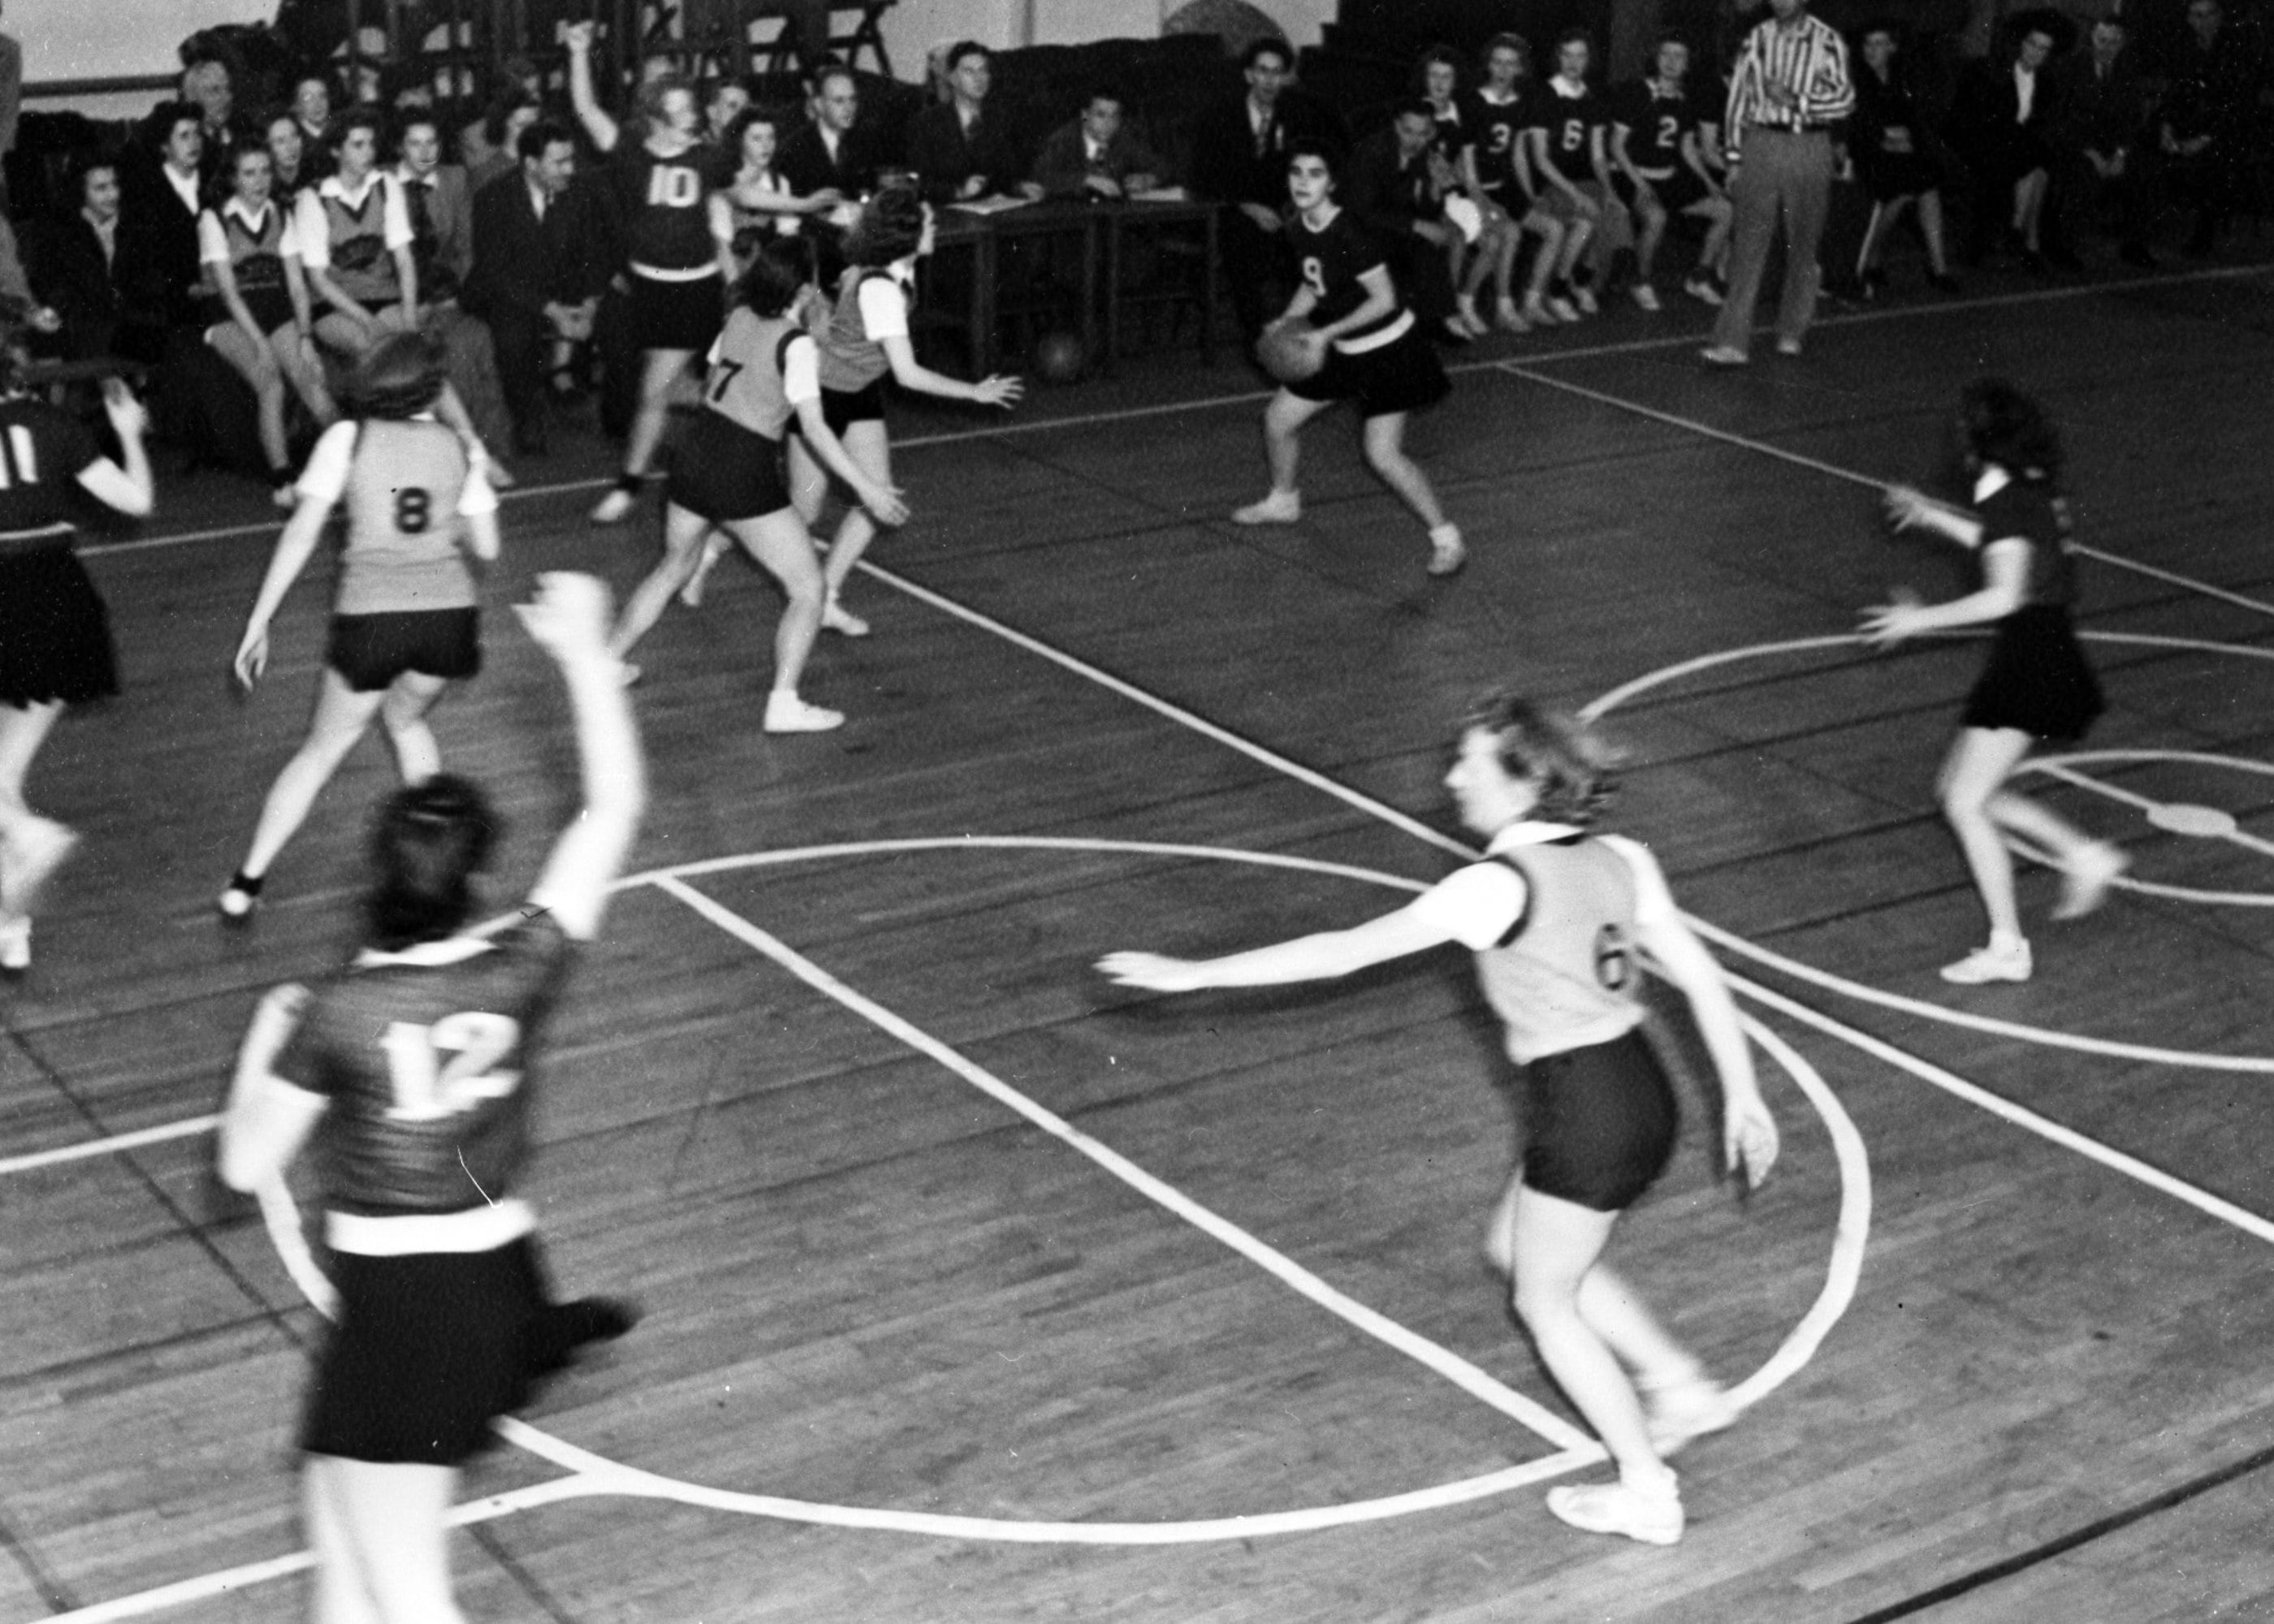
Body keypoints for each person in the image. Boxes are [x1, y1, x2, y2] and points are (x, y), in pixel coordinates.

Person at [1097, 693, 1779, 1546]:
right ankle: (1677, 1383)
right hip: (1641, 1087)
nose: (1452, 774)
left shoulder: (1494, 887)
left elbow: (1341, 949)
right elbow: (1702, 976)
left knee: (1545, 1299)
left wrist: (1194, 974)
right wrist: (1743, 1093)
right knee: (1516, 1243)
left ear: (1522, 779)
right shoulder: (1621, 857)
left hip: (1584, 1106)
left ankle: (1646, 1486)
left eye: (1469, 760)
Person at [216, 568, 645, 1624]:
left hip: (412, 1315)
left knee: (408, 1599)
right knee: (341, 1557)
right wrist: (588, 658)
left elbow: (240, 1164)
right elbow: (616, 808)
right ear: (475, 877)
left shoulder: (335, 1013)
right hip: (488, 1289)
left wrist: (263, 1036)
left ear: (376, 871)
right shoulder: (520, 964)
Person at [218, 333, 500, 919]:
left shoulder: (347, 439)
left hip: (372, 619)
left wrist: (259, 620)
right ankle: (444, 880)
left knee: (323, 750)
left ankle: (246, 883)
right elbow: (489, 548)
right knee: (406, 721)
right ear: (433, 388)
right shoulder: (459, 444)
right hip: (446, 619)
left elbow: (300, 534)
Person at [1861, 378, 2127, 983]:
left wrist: (1918, 618)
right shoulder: (2031, 489)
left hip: (2032, 658)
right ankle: (2086, 855)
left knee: (1962, 800)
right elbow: (2004, 545)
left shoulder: (2005, 498)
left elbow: (2005, 592)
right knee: (1965, 789)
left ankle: (2009, 947)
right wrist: (1932, 516)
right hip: (2045, 651)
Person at [681, 186, 1021, 630]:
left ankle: (826, 596)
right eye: (929, 221)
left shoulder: (892, 271)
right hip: (823, 395)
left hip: (859, 392)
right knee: (803, 513)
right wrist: (973, 392)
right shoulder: (881, 290)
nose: (936, 226)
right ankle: (707, 551)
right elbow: (907, 374)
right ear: (907, 234)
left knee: (877, 495)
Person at [607, 240, 909, 732]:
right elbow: (815, 429)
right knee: (809, 589)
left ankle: (609, 659)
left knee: (673, 566)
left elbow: (707, 383)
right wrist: (867, 487)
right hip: (741, 464)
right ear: (806, 288)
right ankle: (784, 702)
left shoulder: (740, 318)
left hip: (694, 453)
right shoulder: (797, 344)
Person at [1229, 140, 1465, 577]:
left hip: (1390, 351)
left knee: (1382, 455)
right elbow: (1313, 282)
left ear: (1332, 183)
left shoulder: (1349, 233)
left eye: (1315, 174)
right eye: (1297, 173)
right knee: (1278, 421)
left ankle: (1447, 538)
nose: (1303, 182)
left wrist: (1323, 334)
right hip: (1342, 345)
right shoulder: (1299, 224)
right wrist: (1285, 322)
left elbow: (1384, 299)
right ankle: (1283, 500)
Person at [0, 354, 153, 972]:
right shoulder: (54, 423)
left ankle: (30, 839)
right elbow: (137, 501)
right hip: (58, 599)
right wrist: (129, 436)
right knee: (3, 776)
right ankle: (12, 926)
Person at [566, 19, 734, 525]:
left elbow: (740, 194)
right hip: (650, 288)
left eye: (693, 108)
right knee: (671, 388)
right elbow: (586, 110)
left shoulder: (706, 157)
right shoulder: (632, 154)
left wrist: (799, 200)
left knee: (655, 390)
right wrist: (578, 52)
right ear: (657, 119)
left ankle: (630, 483)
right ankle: (749, 413)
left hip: (694, 289)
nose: (693, 117)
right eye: (681, 111)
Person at [1701, 0, 1853, 365]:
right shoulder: (1756, 38)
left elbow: (1844, 101)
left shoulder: (1827, 40)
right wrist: (1735, 158)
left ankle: (1791, 330)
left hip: (1810, 144)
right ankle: (1733, 342)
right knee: (1748, 243)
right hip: (1762, 143)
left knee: (1803, 241)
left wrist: (1798, 101)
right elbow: (1738, 100)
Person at [196, 144, 337, 504]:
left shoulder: (281, 213)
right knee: (270, 384)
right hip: (230, 316)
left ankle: (348, 462)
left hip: (275, 312)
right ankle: (282, 479)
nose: (259, 180)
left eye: (265, 171)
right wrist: (261, 344)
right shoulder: (214, 219)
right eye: (249, 173)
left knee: (308, 375)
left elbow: (296, 287)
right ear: (233, 178)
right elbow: (228, 293)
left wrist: (305, 336)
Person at [465, 119, 611, 459]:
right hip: (509, 292)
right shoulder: (493, 198)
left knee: (618, 316)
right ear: (531, 164)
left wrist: (589, 305)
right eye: (559, 162)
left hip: (563, 287)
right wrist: (553, 311)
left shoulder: (579, 194)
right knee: (513, 334)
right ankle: (526, 419)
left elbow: (593, 255)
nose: (570, 169)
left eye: (571, 160)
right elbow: (495, 272)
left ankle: (617, 416)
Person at [1190, 37, 1344, 343]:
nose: (1269, 80)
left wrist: (1293, 209)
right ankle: (1257, 339)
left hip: (1285, 208)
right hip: (1233, 208)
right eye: (1262, 71)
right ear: (1249, 75)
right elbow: (1202, 176)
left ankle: (1304, 335)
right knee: (1244, 243)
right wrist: (1247, 206)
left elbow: (1315, 163)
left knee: (1315, 241)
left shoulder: (1298, 114)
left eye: (1277, 72)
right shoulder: (1220, 114)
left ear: (1286, 77)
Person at [1609, 37, 1734, 310]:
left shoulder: (1685, 100)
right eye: (1666, 54)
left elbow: (1688, 147)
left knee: (1725, 210)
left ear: (1687, 64)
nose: (1671, 62)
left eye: (1679, 56)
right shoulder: (1637, 92)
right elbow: (1616, 147)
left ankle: (1699, 277)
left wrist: (1707, 181)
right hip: (1631, 174)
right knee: (1656, 216)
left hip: (1667, 176)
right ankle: (1640, 280)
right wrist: (1639, 183)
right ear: (1655, 58)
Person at [1345, 101, 1470, 344]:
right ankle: (1440, 316)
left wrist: (1435, 186)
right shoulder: (1371, 152)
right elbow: (1364, 211)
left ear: (1431, 131)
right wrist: (1418, 225)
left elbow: (1426, 210)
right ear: (1395, 126)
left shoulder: (1426, 154)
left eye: (1422, 133)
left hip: (1395, 227)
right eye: (1407, 131)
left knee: (1431, 242)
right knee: (1421, 239)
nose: (1414, 140)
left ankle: (1440, 315)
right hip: (1358, 229)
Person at [1469, 33, 1571, 330]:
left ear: (1520, 69)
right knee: (1511, 232)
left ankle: (1532, 301)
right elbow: (1465, 158)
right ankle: (1504, 306)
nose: (1503, 70)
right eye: (1497, 62)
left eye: (1510, 64)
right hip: (1476, 190)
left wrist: (1528, 193)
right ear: (1488, 65)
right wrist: (1479, 198)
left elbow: (1518, 156)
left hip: (1505, 188)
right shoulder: (1474, 101)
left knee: (1553, 228)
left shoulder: (1520, 104)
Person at [1847, 24, 1957, 294]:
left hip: (1901, 152)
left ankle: (1938, 266)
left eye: (1879, 44)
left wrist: (1906, 139)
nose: (1872, 50)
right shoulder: (1856, 78)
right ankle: (1870, 258)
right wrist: (1888, 138)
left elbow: (1912, 120)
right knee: (1899, 191)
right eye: (1868, 44)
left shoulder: (1900, 77)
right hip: (1868, 154)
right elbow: (1860, 126)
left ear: (1892, 48)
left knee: (1928, 187)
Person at [1524, 31, 1619, 320]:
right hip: (1551, 183)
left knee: (1615, 212)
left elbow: (1598, 155)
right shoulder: (1545, 95)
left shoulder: (1592, 98)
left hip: (1583, 181)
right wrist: (1575, 194)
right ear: (1558, 57)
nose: (1573, 62)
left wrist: (1611, 190)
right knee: (1588, 217)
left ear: (1589, 60)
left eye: (1580, 55)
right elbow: (1540, 159)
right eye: (1567, 54)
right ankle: (1559, 286)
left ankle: (1580, 279)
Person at [1953, 20, 2060, 274]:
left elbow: (2044, 123)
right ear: (2021, 43)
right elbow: (1988, 121)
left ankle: (2018, 231)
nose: (2036, 52)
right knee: (2037, 165)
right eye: (2032, 44)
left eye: (2044, 49)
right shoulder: (1997, 72)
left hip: (2021, 149)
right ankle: (2026, 241)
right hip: (1987, 143)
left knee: (2038, 166)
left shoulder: (2046, 83)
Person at [2047, 15, 2152, 269]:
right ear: (2091, 39)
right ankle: (2063, 247)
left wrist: (2120, 154)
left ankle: (2134, 244)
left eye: (2114, 42)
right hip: (2076, 143)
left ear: (2123, 43)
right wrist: (2091, 153)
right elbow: (2060, 118)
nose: (2107, 47)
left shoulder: (2128, 71)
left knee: (2145, 172)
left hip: (2112, 145)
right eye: (2102, 40)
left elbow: (2132, 118)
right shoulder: (2069, 68)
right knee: (2080, 175)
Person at [904, 41, 1038, 205]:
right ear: (952, 78)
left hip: (994, 214)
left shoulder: (1002, 119)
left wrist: (1021, 187)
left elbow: (1008, 173)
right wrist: (958, 192)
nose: (979, 78)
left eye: (983, 70)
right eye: (969, 71)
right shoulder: (927, 123)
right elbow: (914, 182)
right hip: (947, 215)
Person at [1031, 86, 1165, 200]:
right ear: (1085, 115)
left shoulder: (1125, 138)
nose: (1109, 124)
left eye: (1114, 116)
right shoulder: (1063, 139)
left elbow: (1162, 167)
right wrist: (1086, 180)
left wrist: (1148, 179)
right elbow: (1040, 176)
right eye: (1100, 115)